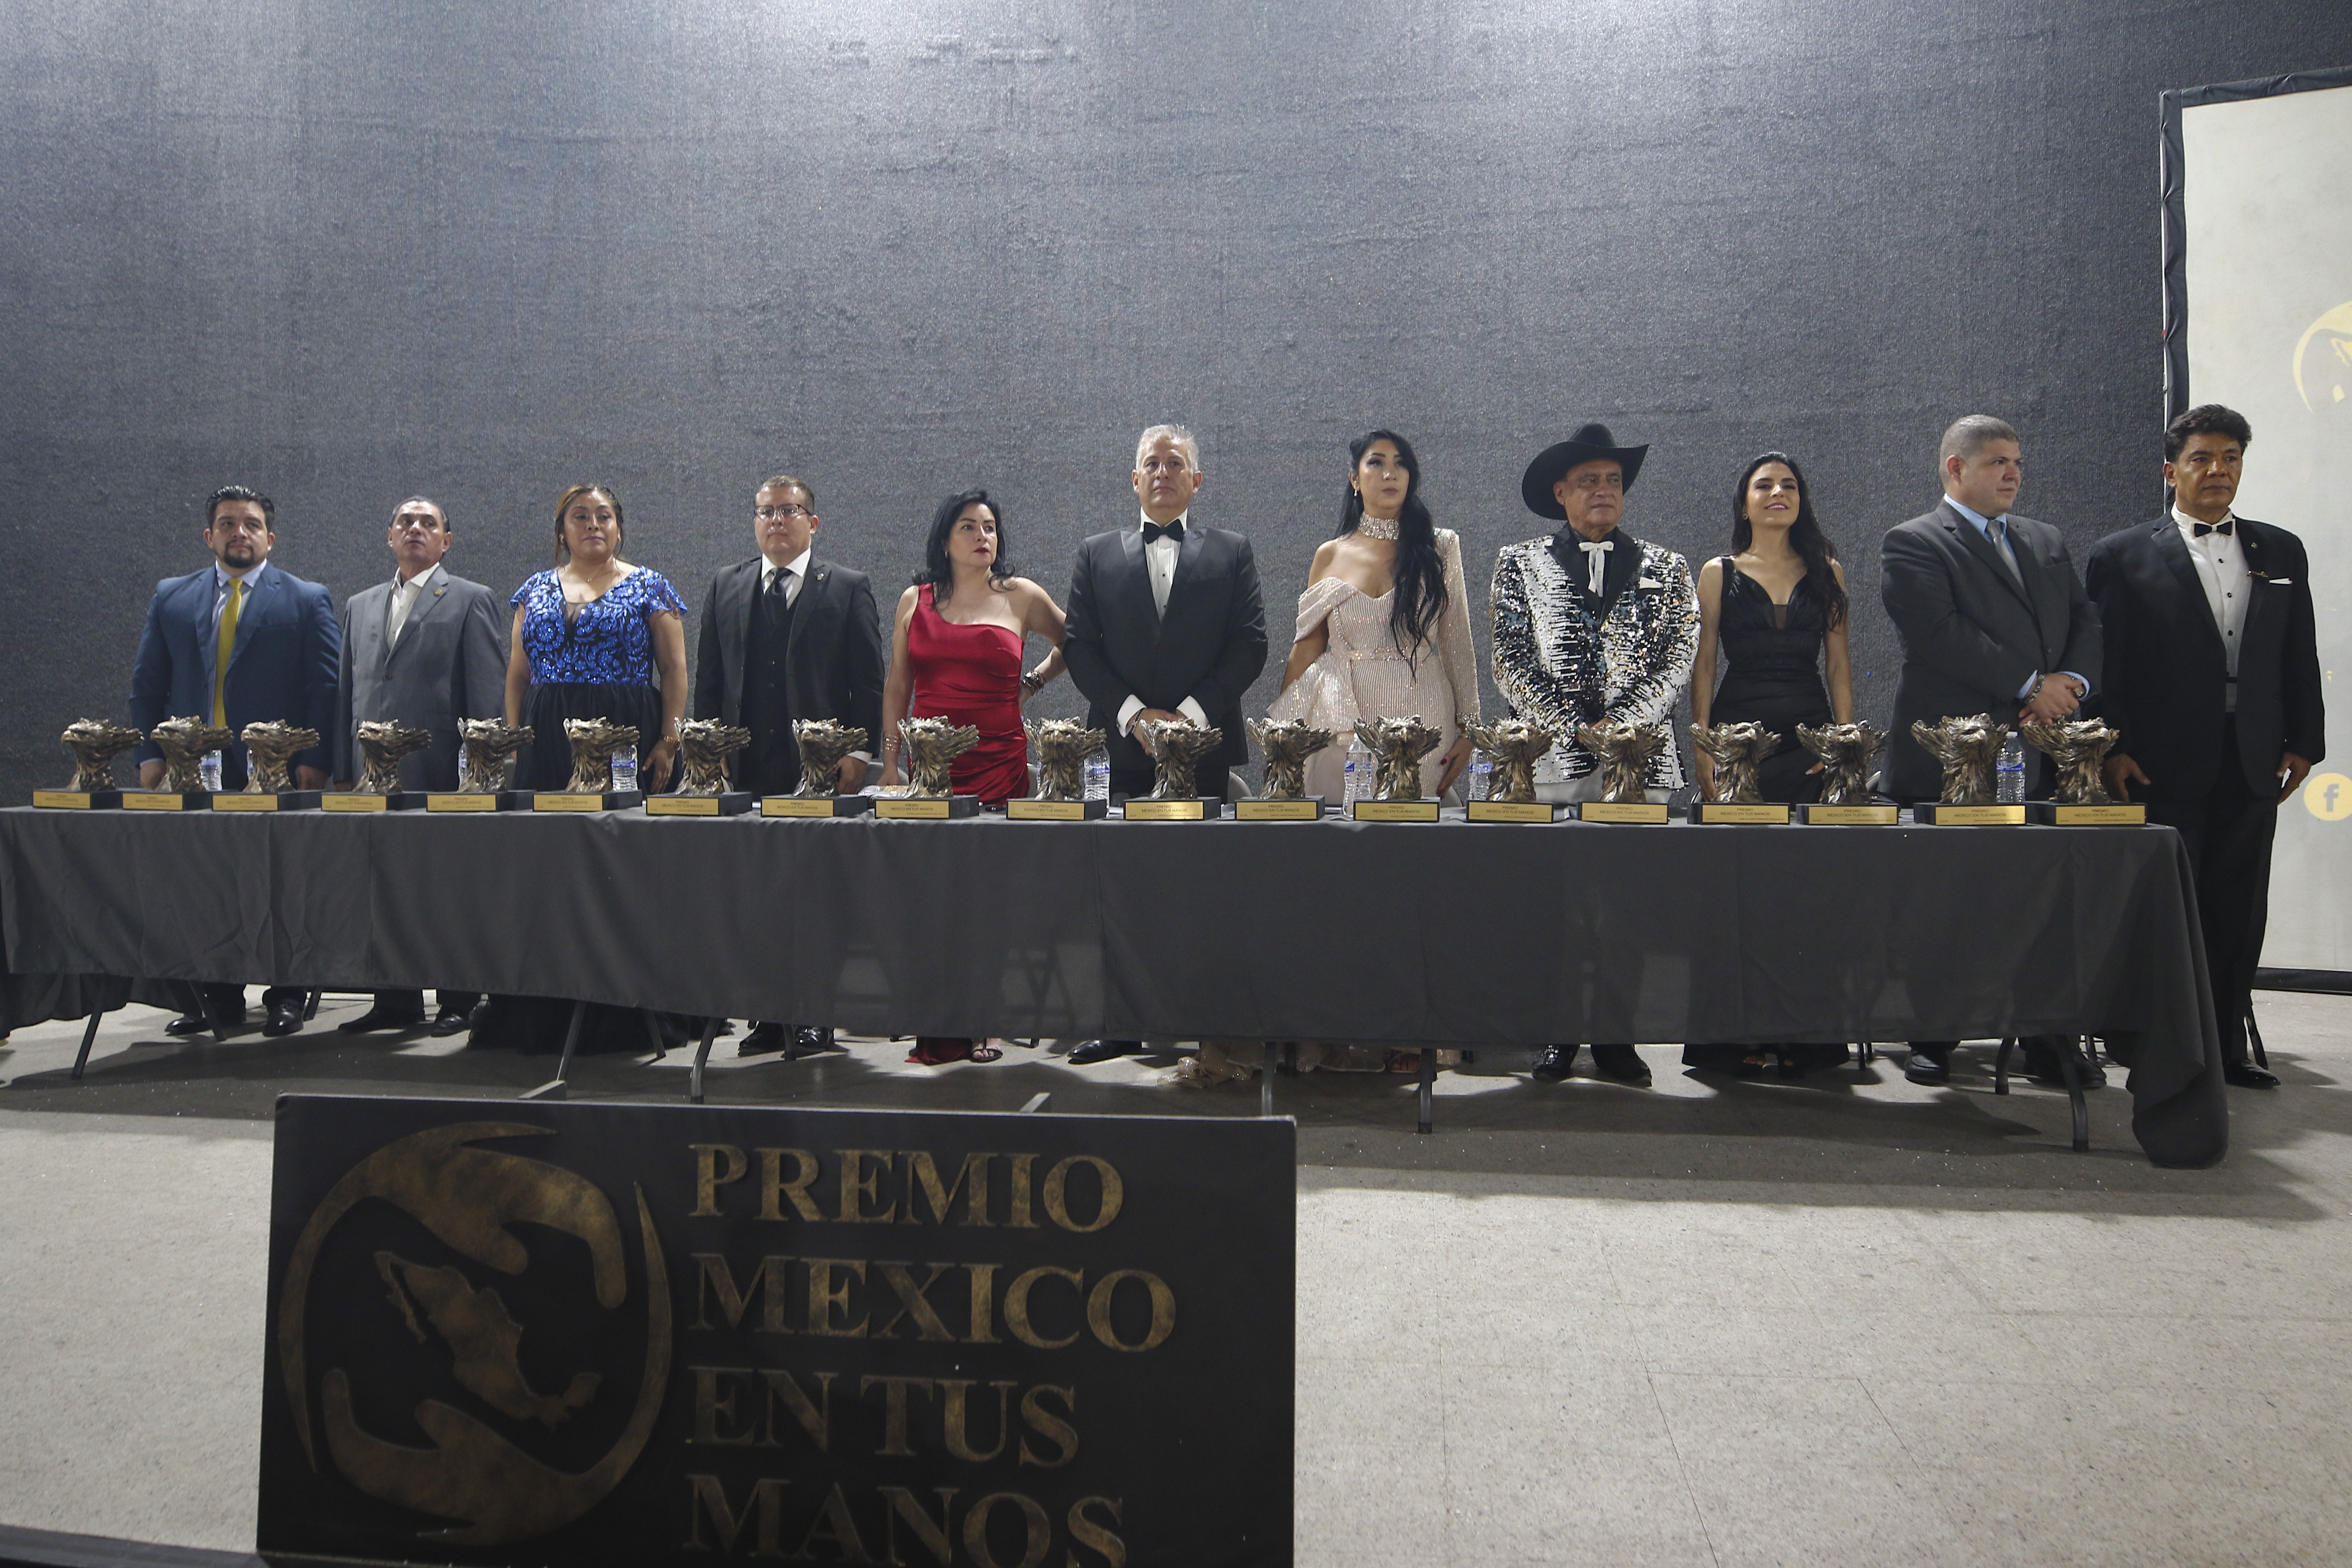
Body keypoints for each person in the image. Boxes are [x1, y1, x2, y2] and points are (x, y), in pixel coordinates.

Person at [2086, 404, 2324, 1090]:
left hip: (2254, 757)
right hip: (2158, 762)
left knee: (2238, 909)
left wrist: (2306, 740)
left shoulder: (2281, 550)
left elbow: (2298, 651)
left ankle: (2224, 1047)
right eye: (2202, 458)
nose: (2218, 470)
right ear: (2172, 472)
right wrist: (2112, 748)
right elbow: (2108, 663)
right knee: (2163, 909)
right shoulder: (2121, 554)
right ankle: (2149, 1044)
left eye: (2231, 458)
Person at [1882, 415, 2102, 1089]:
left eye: (2018, 462)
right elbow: (1940, 635)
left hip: (2041, 753)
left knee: (2044, 904)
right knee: (1944, 905)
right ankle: (1933, 1036)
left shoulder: (2046, 539)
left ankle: (2048, 1039)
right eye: (1998, 462)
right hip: (1952, 761)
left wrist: (2071, 685)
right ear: (1956, 468)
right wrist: (2032, 686)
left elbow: (2085, 619)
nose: (2013, 474)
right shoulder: (1914, 542)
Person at [1492, 423, 1698, 1088]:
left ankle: (1617, 1037)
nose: (1604, 490)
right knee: (1558, 907)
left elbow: (1678, 657)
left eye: (1613, 480)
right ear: (1561, 493)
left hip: (1644, 768)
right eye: (1589, 481)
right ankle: (1558, 1033)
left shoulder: (1669, 567)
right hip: (1553, 764)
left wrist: (1623, 727)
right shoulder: (1518, 563)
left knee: (1628, 909)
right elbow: (1510, 663)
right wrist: (1578, 729)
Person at [1061, 424, 1270, 1066]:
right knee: (1121, 893)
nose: (1162, 473)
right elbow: (1080, 649)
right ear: (1134, 479)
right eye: (1151, 463)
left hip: (1204, 753)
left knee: (1201, 892)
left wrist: (1186, 720)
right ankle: (1122, 1024)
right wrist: (1136, 718)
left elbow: (1251, 644)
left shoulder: (1232, 551)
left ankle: (1204, 1025)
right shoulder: (1095, 554)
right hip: (1123, 752)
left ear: (1196, 480)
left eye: (1175, 463)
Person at [129, 484, 340, 1038]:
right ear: (209, 536)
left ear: (270, 538)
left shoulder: (306, 599)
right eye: (227, 524)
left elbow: (326, 688)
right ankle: (216, 999)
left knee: (283, 884)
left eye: (250, 524)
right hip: (192, 771)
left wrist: (316, 758)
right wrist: (150, 755)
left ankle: (286, 995)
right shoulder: (172, 597)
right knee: (204, 883)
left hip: (278, 770)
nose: (239, 533)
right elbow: (147, 686)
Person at [692, 474, 887, 1060]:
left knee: (816, 895)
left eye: (789, 510)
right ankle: (768, 1015)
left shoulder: (847, 587)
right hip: (747, 767)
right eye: (766, 512)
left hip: (822, 771)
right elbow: (709, 680)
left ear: (813, 523)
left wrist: (859, 752)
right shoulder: (726, 585)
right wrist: (709, 749)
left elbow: (869, 682)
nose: (776, 521)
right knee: (756, 894)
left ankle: (815, 1018)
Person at [880, 488, 1068, 1066]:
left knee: (988, 898)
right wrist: (890, 764)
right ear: (944, 540)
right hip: (932, 771)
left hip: (999, 765)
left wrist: (1032, 683)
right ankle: (937, 1015)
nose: (983, 536)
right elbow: (897, 687)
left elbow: (1078, 644)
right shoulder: (914, 600)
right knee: (934, 896)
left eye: (990, 527)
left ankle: (987, 1017)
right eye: (968, 526)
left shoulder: (1022, 595)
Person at [1687, 453, 1854, 1077]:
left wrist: (1843, 750)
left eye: (1789, 485)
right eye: (1765, 485)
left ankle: (1806, 1036)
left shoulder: (1828, 571)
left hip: (1810, 745)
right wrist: (1703, 745)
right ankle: (1733, 1038)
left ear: (1801, 499)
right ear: (1745, 502)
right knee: (1736, 895)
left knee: (1806, 896)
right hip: (1739, 746)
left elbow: (1839, 664)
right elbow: (1705, 664)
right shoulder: (1718, 572)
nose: (1778, 492)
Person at [331, 495, 508, 1037]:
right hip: (371, 777)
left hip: (441, 774)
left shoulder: (471, 600)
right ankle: (394, 1000)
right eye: (405, 522)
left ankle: (458, 997)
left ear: (445, 542)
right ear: (389, 536)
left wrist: (482, 773)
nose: (415, 529)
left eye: (427, 523)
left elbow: (486, 694)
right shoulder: (360, 604)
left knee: (447, 889)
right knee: (382, 887)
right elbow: (347, 692)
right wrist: (343, 767)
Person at [1271, 429, 1480, 801]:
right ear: (1355, 479)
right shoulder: (1330, 555)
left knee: (1411, 829)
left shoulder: (1440, 547)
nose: (1390, 474)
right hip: (1341, 716)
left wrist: (1470, 730)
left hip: (1424, 718)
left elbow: (1457, 642)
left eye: (1401, 465)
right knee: (1342, 830)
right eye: (1377, 463)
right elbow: (1306, 650)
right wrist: (1282, 737)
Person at [503, 483, 689, 793]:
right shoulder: (534, 590)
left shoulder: (651, 587)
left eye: (604, 517)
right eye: (581, 517)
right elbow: (518, 674)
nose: (593, 525)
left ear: (619, 530)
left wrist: (670, 740)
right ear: (562, 532)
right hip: (546, 732)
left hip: (624, 731)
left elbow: (674, 669)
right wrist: (514, 739)